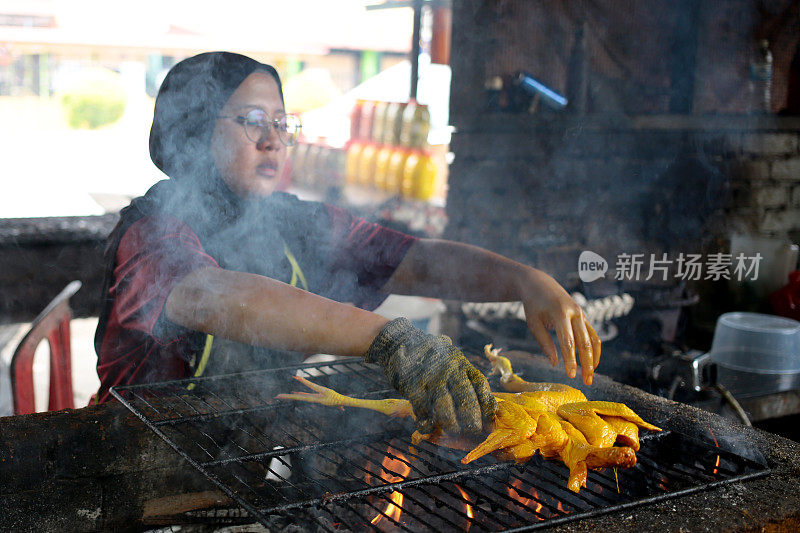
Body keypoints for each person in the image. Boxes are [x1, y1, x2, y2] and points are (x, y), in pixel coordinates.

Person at [93, 51, 600, 435]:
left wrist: (524, 280)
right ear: (194, 129)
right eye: (251, 121)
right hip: (137, 464)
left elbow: (413, 260)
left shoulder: (289, 221)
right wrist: (391, 337)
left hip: (236, 458)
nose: (273, 139)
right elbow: (211, 294)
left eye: (280, 122)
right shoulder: (153, 231)